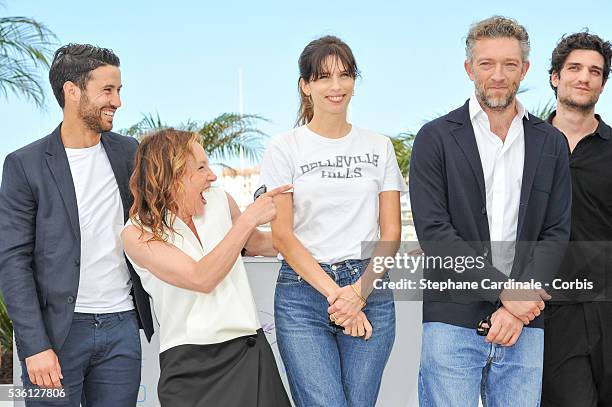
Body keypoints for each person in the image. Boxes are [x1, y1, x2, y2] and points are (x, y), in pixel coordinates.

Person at [409, 16, 571, 406]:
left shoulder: (551, 142)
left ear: (525, 69)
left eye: (509, 64)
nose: (498, 75)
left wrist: (517, 308)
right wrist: (504, 291)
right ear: (469, 69)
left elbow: (556, 231)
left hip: (525, 324)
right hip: (452, 319)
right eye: (486, 64)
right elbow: (435, 232)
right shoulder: (435, 138)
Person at [0, 44, 153, 406]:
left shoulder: (129, 152)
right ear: (72, 91)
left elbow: (163, 212)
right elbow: (13, 261)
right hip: (56, 335)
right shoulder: (25, 164)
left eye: (119, 91)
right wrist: (35, 345)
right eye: (107, 90)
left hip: (121, 326)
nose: (117, 101)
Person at [259, 35, 406, 407]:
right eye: (323, 77)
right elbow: (283, 237)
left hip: (369, 287)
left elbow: (390, 234)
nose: (336, 86)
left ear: (355, 81)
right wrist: (339, 297)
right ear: (305, 86)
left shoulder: (378, 146)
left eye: (345, 75)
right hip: (302, 294)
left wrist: (359, 292)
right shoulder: (284, 148)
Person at [121, 129, 292, 406]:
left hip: (249, 352)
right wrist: (248, 220)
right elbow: (200, 277)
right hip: (190, 370)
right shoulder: (137, 232)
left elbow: (260, 244)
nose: (212, 176)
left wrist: (321, 237)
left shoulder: (220, 201)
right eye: (201, 168)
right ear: (171, 175)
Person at [541, 32, 612, 407]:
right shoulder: (524, 147)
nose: (584, 77)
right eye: (575, 68)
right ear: (555, 76)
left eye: (595, 71)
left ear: (602, 83)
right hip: (553, 312)